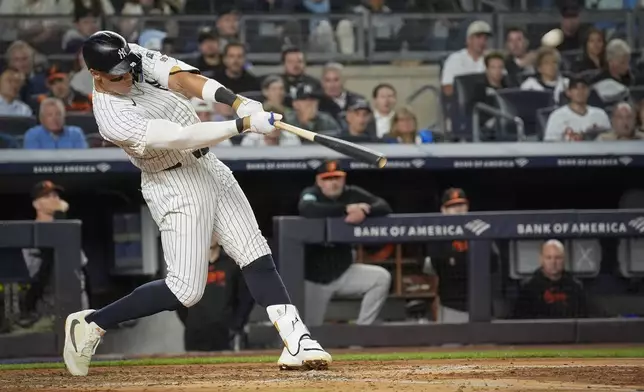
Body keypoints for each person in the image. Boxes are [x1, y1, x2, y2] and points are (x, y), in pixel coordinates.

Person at [63, 30, 331, 377]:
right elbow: (179, 138)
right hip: (173, 181)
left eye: (129, 68)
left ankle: (297, 339)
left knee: (254, 250)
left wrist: (237, 101)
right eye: (118, 75)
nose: (128, 76)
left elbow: (186, 80)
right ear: (96, 76)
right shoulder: (111, 116)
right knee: (185, 290)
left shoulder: (131, 59)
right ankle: (93, 324)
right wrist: (242, 124)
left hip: (208, 165)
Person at [298, 160, 392, 326]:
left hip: (343, 272)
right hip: (314, 279)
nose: (333, 183)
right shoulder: (311, 193)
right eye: (328, 179)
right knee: (310, 332)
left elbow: (383, 206)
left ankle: (362, 333)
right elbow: (307, 208)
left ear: (344, 179)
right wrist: (346, 209)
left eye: (337, 178)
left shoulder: (351, 193)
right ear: (319, 181)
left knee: (381, 278)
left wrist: (363, 210)